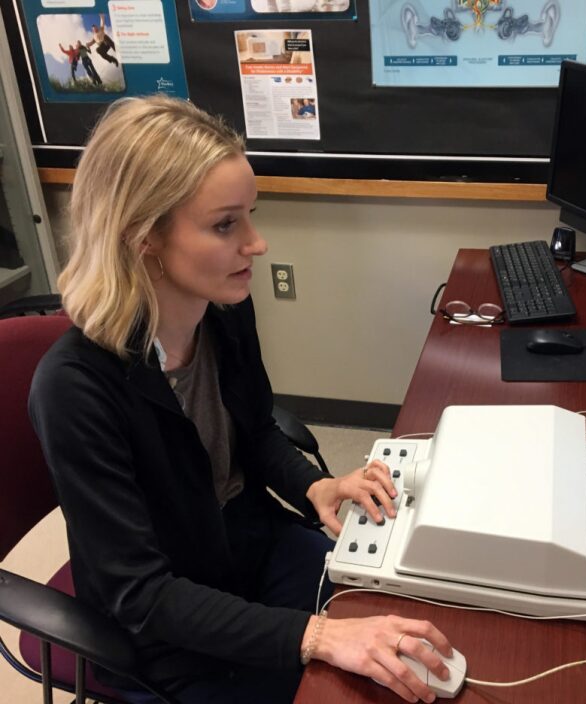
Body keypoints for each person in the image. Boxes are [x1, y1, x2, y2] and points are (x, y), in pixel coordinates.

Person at [29, 95, 455, 704]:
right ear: (143, 236)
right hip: (171, 628)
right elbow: (143, 594)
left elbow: (254, 431)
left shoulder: (223, 309)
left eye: (250, 216)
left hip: (251, 548)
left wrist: (313, 485)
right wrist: (317, 636)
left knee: (403, 615)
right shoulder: (74, 389)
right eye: (227, 224)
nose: (256, 244)